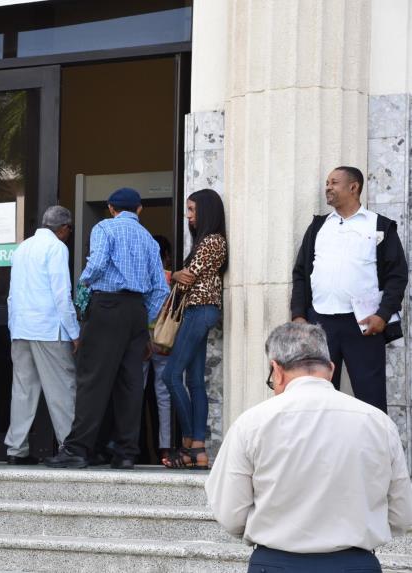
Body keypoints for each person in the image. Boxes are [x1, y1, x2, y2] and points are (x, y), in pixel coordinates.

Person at [206, 322, 412, 572]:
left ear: (276, 371)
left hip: (275, 563)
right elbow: (403, 513)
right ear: (331, 368)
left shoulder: (251, 424)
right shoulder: (378, 423)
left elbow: (230, 513)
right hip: (355, 563)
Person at [44, 188, 168, 470]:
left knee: (92, 380)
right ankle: (125, 452)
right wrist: (141, 317)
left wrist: (83, 283)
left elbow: (97, 263)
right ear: (139, 210)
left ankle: (77, 450)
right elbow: (160, 289)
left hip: (107, 307)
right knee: (130, 384)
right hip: (136, 311)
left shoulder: (104, 227)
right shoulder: (149, 239)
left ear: (111, 208)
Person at [290, 166, 408, 413]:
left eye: (333, 182)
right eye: (327, 183)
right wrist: (299, 315)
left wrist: (382, 316)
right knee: (316, 400)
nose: (327, 188)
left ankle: (375, 452)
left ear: (353, 187)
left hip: (363, 326)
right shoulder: (318, 227)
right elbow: (301, 273)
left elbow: (397, 276)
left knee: (371, 400)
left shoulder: (380, 226)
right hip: (319, 325)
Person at [4, 206, 79, 465]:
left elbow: (12, 293)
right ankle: (69, 447)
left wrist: (13, 327)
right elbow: (62, 294)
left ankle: (16, 448)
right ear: (64, 228)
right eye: (70, 229)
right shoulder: (57, 248)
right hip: (48, 328)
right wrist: (74, 332)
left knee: (23, 389)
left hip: (22, 328)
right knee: (62, 388)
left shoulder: (22, 248)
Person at [161, 189, 227, 469]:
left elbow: (187, 278)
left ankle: (191, 441)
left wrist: (170, 274)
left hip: (199, 311)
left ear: (206, 211)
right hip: (200, 311)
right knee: (194, 381)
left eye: (191, 210)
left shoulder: (212, 241)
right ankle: (198, 451)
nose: (187, 216)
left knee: (170, 374)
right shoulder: (209, 241)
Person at [144, 234, 173, 464]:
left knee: (134, 392)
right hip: (164, 340)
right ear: (166, 256)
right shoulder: (170, 279)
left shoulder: (142, 275)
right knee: (163, 395)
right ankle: (165, 447)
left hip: (142, 340)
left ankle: (132, 444)